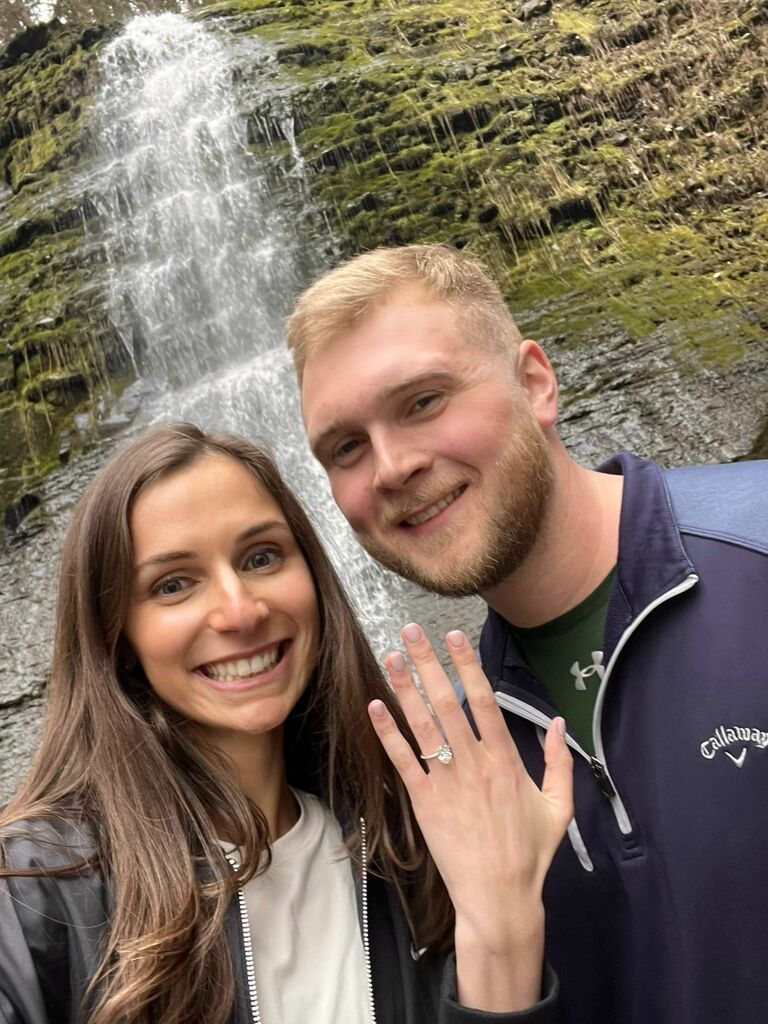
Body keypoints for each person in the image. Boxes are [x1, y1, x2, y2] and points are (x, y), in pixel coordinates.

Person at [287, 244, 768, 1024]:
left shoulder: (760, 541)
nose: (391, 466)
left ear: (535, 382)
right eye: (346, 447)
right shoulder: (452, 768)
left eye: (422, 401)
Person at [0, 423, 573, 1024]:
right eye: (173, 584)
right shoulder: (35, 887)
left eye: (262, 556)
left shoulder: (407, 849)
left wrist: (502, 924)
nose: (241, 611)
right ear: (117, 637)